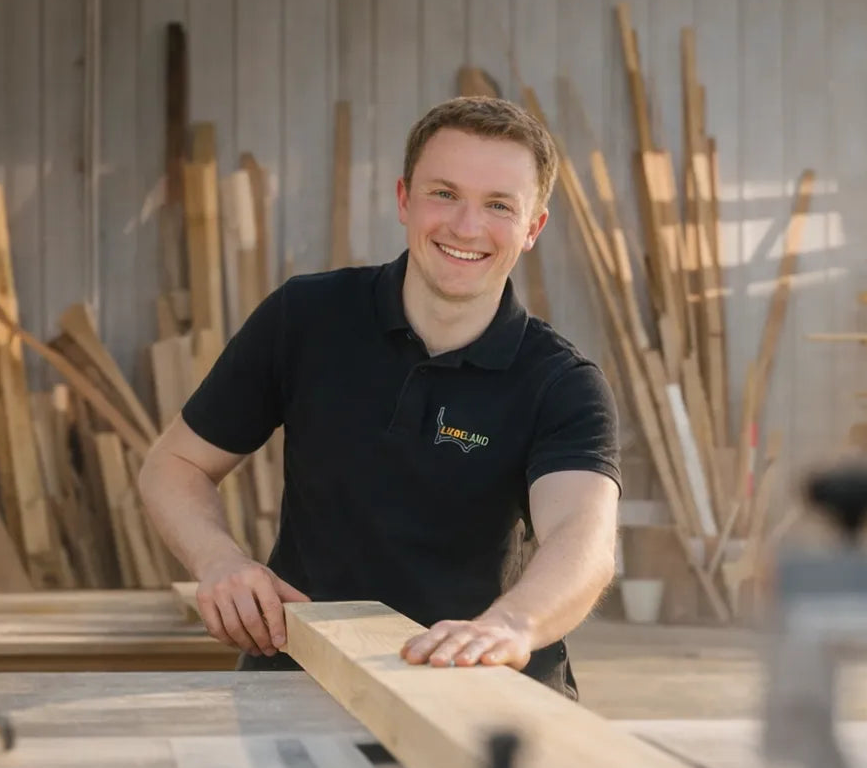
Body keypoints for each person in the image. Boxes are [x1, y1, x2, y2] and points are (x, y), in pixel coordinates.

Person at [139, 96, 621, 699]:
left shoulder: (561, 381)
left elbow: (584, 537)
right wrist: (220, 563)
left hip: (482, 690)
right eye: (443, 193)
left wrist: (510, 625)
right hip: (301, 677)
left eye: (499, 205)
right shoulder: (307, 318)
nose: (466, 227)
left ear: (532, 228)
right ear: (404, 200)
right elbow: (175, 464)